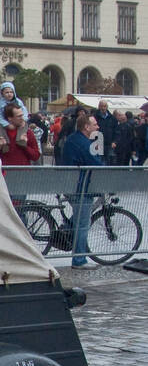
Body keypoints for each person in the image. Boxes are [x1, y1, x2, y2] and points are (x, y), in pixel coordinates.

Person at [60, 112, 105, 270]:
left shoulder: (74, 139)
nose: (98, 127)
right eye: (95, 125)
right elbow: (96, 164)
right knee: (82, 225)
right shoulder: (84, 143)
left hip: (72, 185)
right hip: (81, 188)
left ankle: (66, 232)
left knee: (78, 219)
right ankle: (79, 260)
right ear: (87, 127)